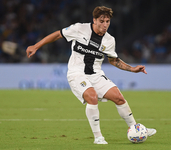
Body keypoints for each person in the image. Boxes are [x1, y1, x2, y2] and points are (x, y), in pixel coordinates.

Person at [26, 6, 156, 144]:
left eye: (107, 21)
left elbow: (113, 60)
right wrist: (36, 46)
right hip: (76, 73)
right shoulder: (79, 29)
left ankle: (136, 129)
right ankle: (98, 137)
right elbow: (58, 34)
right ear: (94, 20)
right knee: (92, 96)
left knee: (119, 98)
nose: (105, 24)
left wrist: (132, 69)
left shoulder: (109, 40)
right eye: (102, 21)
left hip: (96, 74)